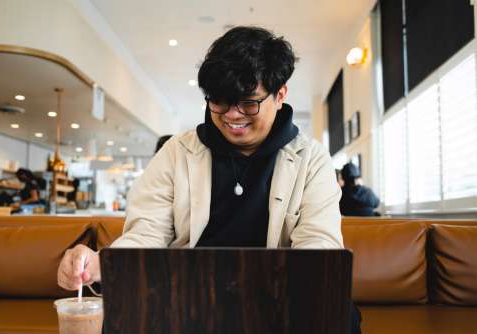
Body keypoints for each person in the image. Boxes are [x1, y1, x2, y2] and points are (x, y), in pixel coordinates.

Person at [57, 26, 361, 333]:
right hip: (185, 296)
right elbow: (148, 232)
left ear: (280, 94)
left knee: (340, 315)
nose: (232, 115)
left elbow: (319, 248)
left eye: (248, 102)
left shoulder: (311, 160)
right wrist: (100, 264)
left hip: (276, 297)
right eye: (219, 101)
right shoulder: (177, 151)